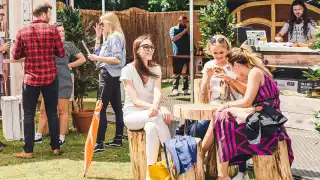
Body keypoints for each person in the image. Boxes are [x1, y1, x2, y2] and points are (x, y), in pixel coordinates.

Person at [202, 46, 294, 180]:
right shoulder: (257, 70)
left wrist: (226, 104)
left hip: (267, 121)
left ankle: (218, 170)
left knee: (222, 117)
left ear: (236, 64)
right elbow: (249, 93)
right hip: (265, 116)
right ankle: (214, 165)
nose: (232, 71)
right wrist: (231, 80)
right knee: (221, 116)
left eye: (231, 67)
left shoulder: (254, 73)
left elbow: (247, 101)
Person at [189, 35, 249, 180]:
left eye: (221, 53)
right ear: (210, 51)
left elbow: (244, 91)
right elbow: (202, 96)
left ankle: (240, 170)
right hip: (213, 108)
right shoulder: (208, 65)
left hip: (232, 108)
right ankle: (200, 163)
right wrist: (208, 78)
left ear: (227, 49)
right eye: (215, 53)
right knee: (194, 130)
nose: (219, 56)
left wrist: (228, 78)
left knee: (223, 126)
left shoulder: (234, 64)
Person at [12, 2, 65, 158]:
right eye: (49, 13)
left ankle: (28, 151)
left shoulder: (22, 31)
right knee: (52, 113)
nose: (50, 17)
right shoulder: (52, 30)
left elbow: (15, 55)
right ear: (42, 14)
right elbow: (61, 53)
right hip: (50, 77)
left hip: (31, 78)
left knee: (28, 114)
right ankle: (55, 147)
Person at [121, 35, 172, 180]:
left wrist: (157, 106)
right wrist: (159, 109)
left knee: (151, 128)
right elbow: (136, 101)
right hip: (132, 115)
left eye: (151, 47)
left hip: (151, 113)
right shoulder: (128, 69)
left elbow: (157, 92)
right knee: (157, 117)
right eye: (145, 47)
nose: (150, 49)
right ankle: (171, 157)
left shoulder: (156, 69)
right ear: (137, 50)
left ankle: (150, 175)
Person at [34, 23, 86, 146]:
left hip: (64, 81)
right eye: (59, 31)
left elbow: (82, 59)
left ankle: (61, 137)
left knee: (62, 110)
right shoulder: (47, 45)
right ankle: (38, 135)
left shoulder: (69, 45)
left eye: (63, 31)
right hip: (48, 81)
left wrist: (67, 66)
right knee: (43, 110)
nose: (62, 33)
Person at [88, 12, 126, 152]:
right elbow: (98, 53)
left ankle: (99, 144)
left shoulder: (114, 37)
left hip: (108, 75)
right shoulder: (111, 38)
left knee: (101, 108)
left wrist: (97, 59)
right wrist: (98, 37)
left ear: (110, 23)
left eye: (102, 24)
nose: (101, 27)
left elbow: (117, 59)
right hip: (114, 76)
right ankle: (118, 139)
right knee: (117, 108)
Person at [274, 0, 317, 79]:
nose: (297, 12)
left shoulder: (311, 22)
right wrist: (278, 37)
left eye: (299, 9)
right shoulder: (289, 22)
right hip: (291, 52)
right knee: (287, 72)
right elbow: (280, 33)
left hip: (305, 53)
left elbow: (315, 39)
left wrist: (301, 44)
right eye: (295, 10)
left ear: (303, 9)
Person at [169, 16, 190, 96]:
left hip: (187, 53)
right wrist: (184, 32)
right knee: (177, 72)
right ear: (180, 21)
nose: (185, 23)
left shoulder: (187, 30)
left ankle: (185, 89)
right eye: (184, 22)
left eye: (186, 22)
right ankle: (175, 89)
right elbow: (174, 39)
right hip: (178, 54)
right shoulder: (174, 29)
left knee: (186, 72)